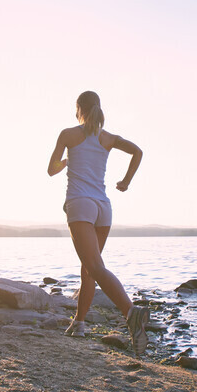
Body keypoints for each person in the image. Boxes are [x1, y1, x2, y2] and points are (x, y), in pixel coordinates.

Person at [48, 91, 149, 354]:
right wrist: (126, 181)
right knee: (89, 269)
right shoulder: (108, 138)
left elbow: (51, 168)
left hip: (80, 204)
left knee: (93, 266)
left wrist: (67, 161)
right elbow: (137, 152)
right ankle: (79, 323)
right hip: (103, 207)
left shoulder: (68, 134)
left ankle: (131, 312)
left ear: (79, 108)